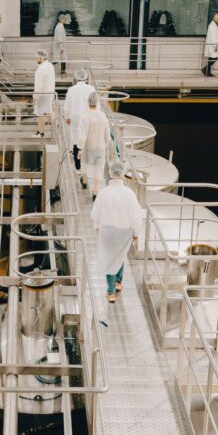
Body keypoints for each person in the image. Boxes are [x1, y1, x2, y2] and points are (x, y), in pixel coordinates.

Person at [91, 160, 144, 303]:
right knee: (120, 255)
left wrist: (97, 224)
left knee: (109, 259)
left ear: (110, 173)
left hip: (108, 232)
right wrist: (137, 233)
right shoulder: (129, 193)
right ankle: (118, 282)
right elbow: (136, 215)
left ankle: (111, 292)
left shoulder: (103, 193)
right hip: (124, 232)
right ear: (122, 174)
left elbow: (94, 214)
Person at [64, 69, 94, 179]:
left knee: (76, 140)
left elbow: (67, 105)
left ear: (76, 77)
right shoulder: (91, 89)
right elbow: (94, 103)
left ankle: (77, 168)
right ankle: (87, 167)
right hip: (88, 117)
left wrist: (67, 117)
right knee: (86, 140)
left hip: (75, 117)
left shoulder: (71, 89)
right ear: (86, 78)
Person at [80, 92, 111, 195]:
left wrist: (80, 148)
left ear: (88, 102)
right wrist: (105, 145)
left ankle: (84, 182)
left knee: (84, 165)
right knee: (98, 170)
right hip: (100, 148)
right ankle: (95, 191)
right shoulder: (102, 116)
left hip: (88, 147)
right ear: (98, 102)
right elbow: (107, 134)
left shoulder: (85, 116)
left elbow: (82, 135)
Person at [33, 49, 56, 138]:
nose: (35, 59)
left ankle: (41, 133)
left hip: (42, 94)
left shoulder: (41, 69)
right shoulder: (50, 65)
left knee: (41, 113)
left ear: (40, 57)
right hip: (49, 92)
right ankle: (57, 124)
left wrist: (35, 96)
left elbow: (38, 85)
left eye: (36, 57)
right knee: (47, 111)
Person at [202, 12, 218, 77]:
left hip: (213, 45)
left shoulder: (213, 25)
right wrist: (215, 46)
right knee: (214, 58)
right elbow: (213, 37)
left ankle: (208, 72)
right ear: (213, 18)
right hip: (212, 45)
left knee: (211, 58)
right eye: (217, 19)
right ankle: (205, 69)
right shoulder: (212, 26)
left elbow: (216, 36)